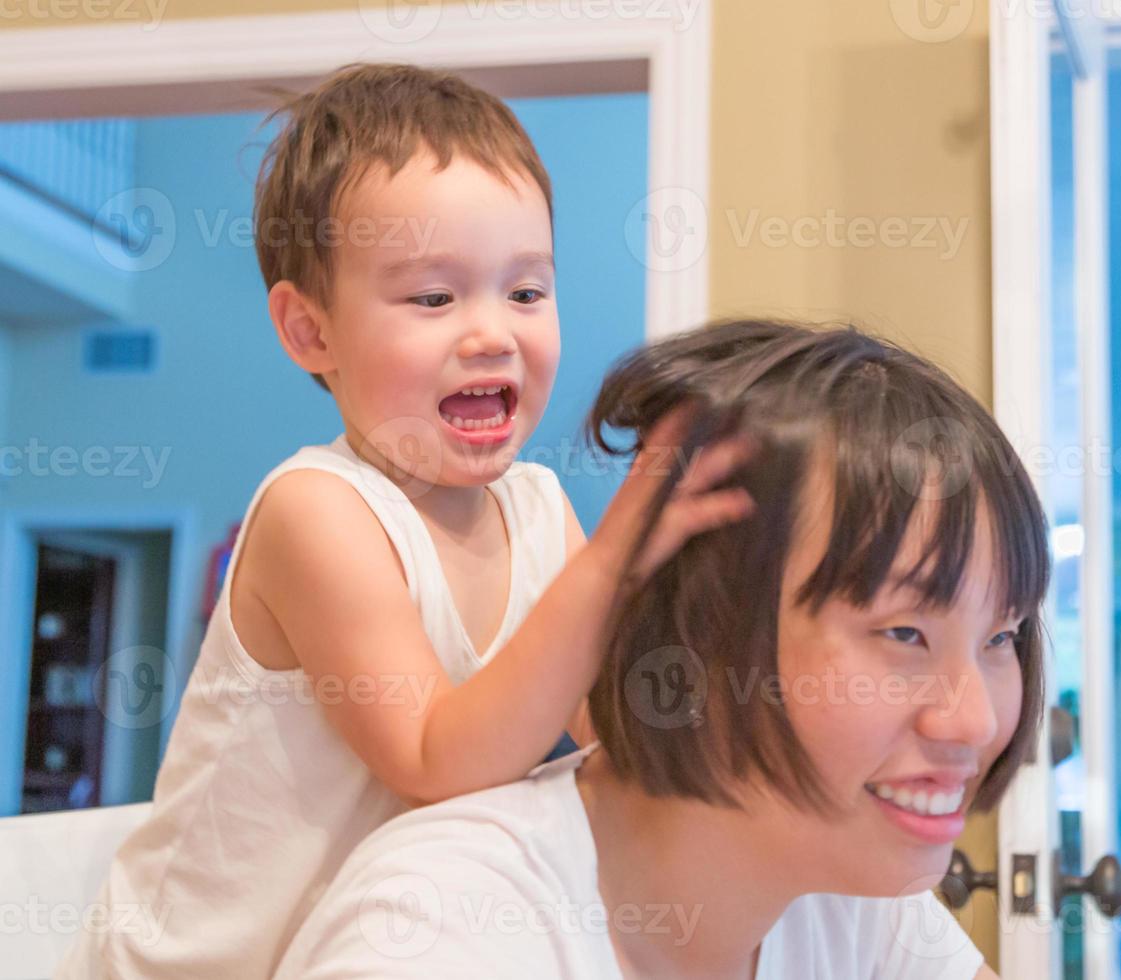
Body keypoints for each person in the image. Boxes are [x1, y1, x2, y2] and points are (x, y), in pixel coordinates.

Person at [54, 64, 754, 979]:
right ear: (311, 334)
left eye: (527, 292)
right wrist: (613, 566)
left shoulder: (539, 510)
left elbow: (611, 730)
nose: (492, 333)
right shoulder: (318, 513)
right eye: (434, 297)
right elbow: (432, 756)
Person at [273, 318, 1051, 979]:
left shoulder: (858, 904)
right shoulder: (441, 930)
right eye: (905, 634)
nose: (975, 721)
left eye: (1001, 637)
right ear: (705, 633)